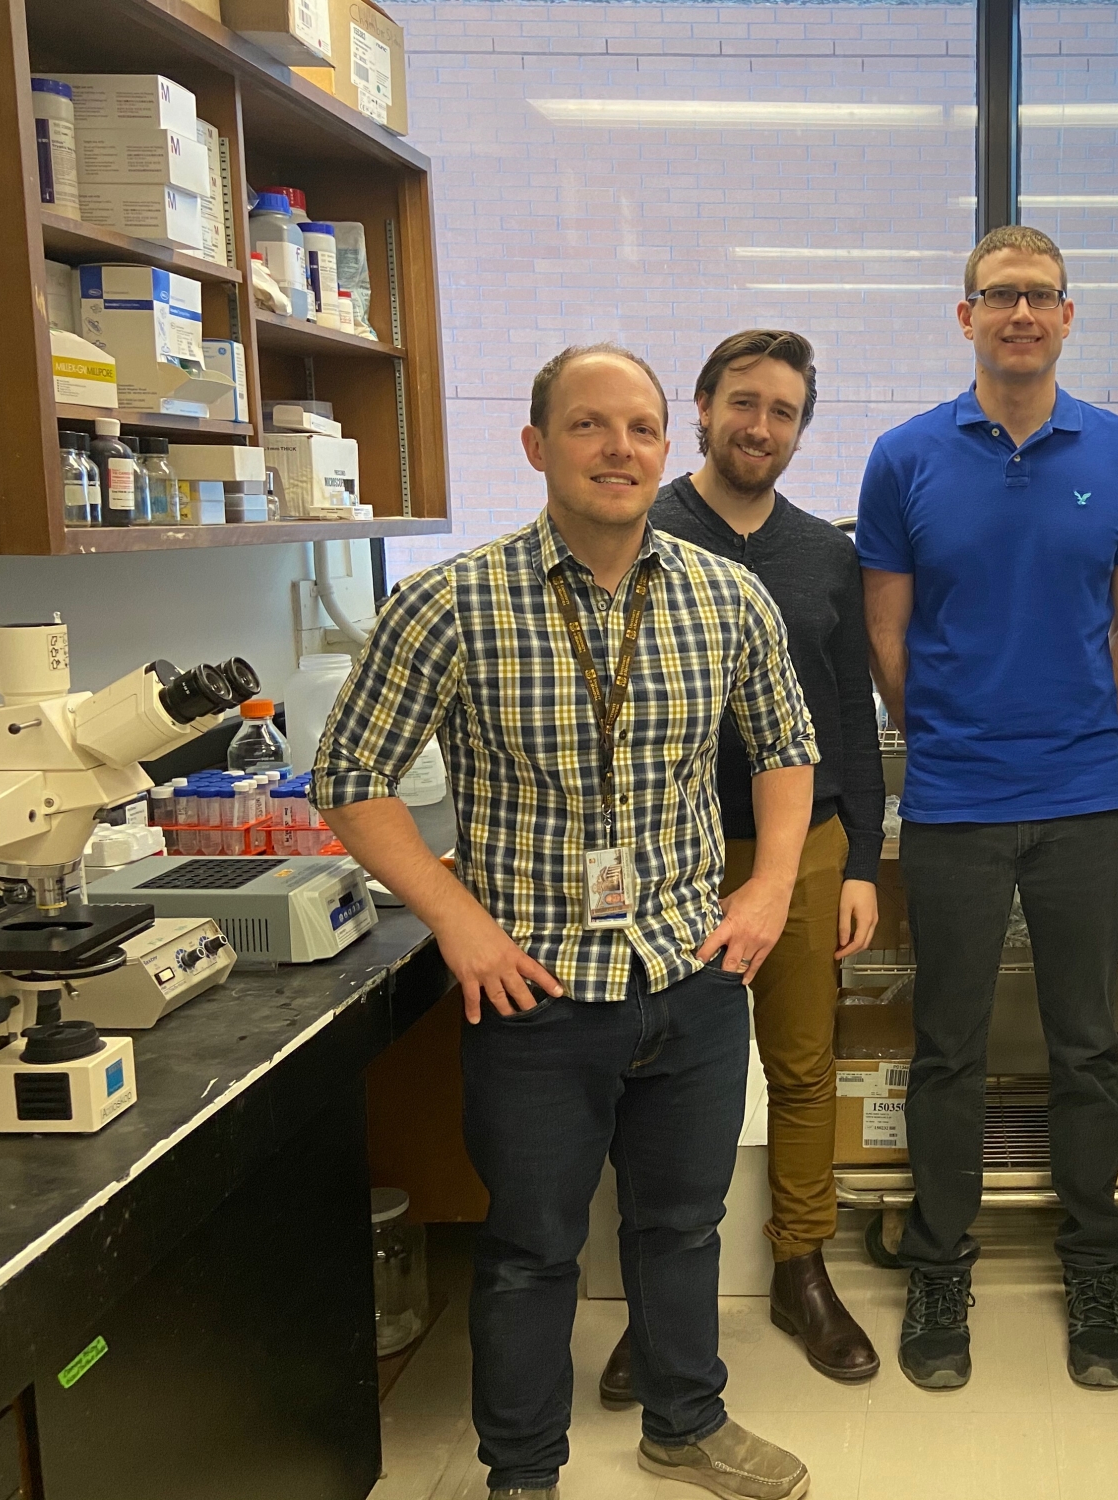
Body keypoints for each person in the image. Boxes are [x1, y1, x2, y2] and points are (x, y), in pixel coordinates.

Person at [316, 343, 821, 1500]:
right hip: (534, 987)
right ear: (538, 444)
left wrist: (768, 887)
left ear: (668, 444)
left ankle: (685, 1424)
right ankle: (522, 1472)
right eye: (590, 427)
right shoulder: (449, 601)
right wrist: (457, 922)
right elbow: (348, 775)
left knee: (683, 1228)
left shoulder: (725, 595)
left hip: (690, 976)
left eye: (640, 428)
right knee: (531, 1251)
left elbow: (790, 749)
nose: (619, 449)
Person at [856, 224, 1118, 1391]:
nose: (1020, 314)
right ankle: (940, 1265)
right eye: (999, 297)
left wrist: (1082, 721)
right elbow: (888, 628)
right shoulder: (903, 457)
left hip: (1085, 794)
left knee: (1086, 1046)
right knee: (949, 1049)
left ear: (1067, 315)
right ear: (965, 315)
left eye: (1039, 296)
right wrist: (943, 731)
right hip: (948, 801)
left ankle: (1096, 1265)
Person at [595, 329, 886, 1399]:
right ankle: (663, 1293)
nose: (761, 427)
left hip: (801, 847)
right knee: (659, 1074)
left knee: (804, 1065)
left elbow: (847, 712)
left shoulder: (825, 554)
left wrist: (857, 854)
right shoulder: (638, 525)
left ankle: (800, 1266)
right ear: (703, 408)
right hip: (667, 850)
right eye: (744, 404)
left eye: (785, 412)